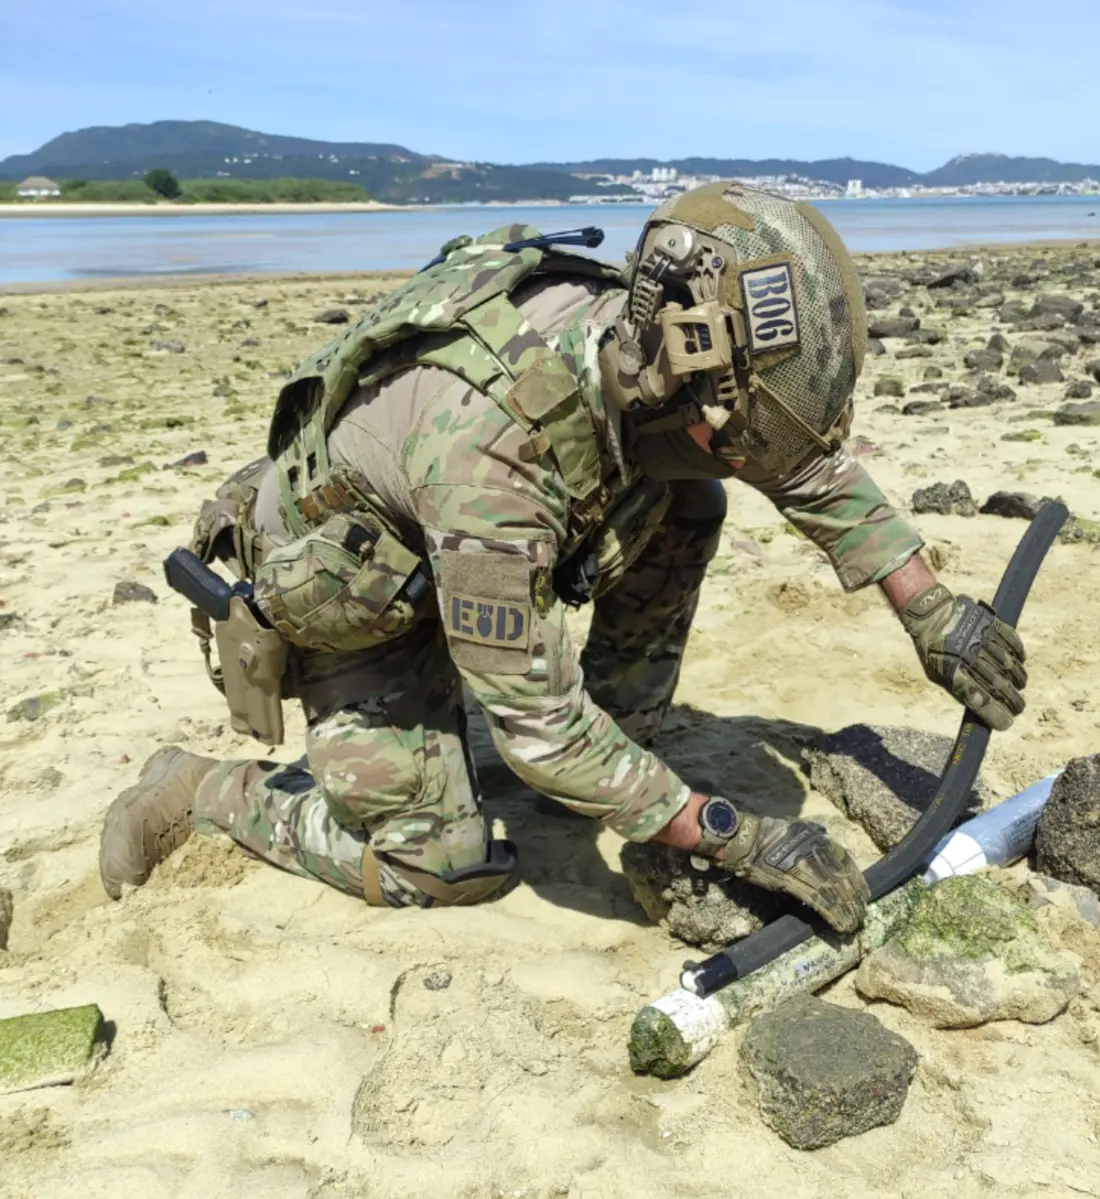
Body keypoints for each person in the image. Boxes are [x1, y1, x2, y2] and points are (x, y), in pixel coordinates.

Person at [98, 183, 1027, 932]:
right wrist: (730, 834)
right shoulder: (491, 459)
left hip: (451, 550)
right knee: (438, 865)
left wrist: (934, 612)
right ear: (679, 379)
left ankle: (619, 753)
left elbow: (797, 466)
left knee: (689, 499)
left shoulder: (641, 341)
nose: (744, 455)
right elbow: (537, 728)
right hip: (355, 601)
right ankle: (202, 788)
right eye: (731, 435)